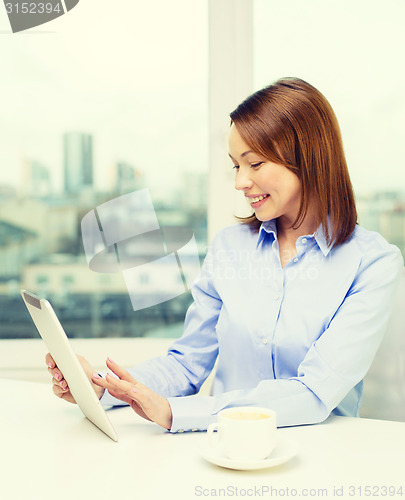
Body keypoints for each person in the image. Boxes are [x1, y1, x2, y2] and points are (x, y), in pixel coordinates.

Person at [46, 77, 404, 433]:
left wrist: (177, 414)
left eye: (255, 163)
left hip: (320, 461)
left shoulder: (373, 263)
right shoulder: (229, 248)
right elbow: (186, 364)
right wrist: (101, 386)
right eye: (236, 165)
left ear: (307, 157)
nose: (240, 182)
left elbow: (313, 393)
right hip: (227, 454)